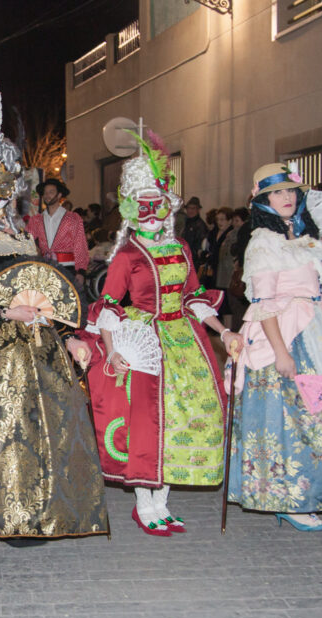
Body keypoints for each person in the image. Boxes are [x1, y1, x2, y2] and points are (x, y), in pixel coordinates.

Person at [0, 88, 108, 542]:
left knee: (41, 426)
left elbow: (48, 289)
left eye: (5, 188)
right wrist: (2, 310)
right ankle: (0, 517)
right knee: (2, 430)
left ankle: (37, 513)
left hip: (38, 341)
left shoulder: (26, 233)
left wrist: (66, 332)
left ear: (15, 189)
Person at [82, 132, 241, 536]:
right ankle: (144, 504)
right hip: (144, 342)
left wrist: (224, 332)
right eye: (144, 206)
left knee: (182, 420)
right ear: (133, 210)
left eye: (158, 206)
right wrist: (113, 350)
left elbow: (193, 297)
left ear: (167, 208)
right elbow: (109, 306)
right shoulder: (128, 255)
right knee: (147, 422)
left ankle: (163, 502)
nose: (152, 214)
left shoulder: (182, 250)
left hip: (186, 343)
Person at [227, 162, 322, 530]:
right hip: (285, 334)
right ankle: (290, 499)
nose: (286, 198)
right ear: (261, 200)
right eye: (276, 193)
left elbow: (319, 288)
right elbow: (263, 305)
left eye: (290, 191)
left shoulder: (304, 236)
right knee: (299, 418)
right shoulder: (263, 242)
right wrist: (281, 352)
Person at [24, 178, 90, 289]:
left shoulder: (72, 218)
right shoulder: (36, 220)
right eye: (45, 193)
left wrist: (81, 271)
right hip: (45, 269)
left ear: (59, 195)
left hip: (68, 269)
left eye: (51, 192)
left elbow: (80, 245)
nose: (47, 195)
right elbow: (26, 240)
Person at [177, 195, 207, 261]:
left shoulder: (200, 225)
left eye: (193, 208)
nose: (190, 210)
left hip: (193, 258)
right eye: (188, 208)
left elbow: (200, 244)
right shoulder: (185, 222)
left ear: (198, 210)